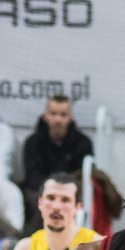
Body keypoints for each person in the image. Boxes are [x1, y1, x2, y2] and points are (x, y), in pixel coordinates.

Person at [20, 95, 93, 229]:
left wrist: (62, 191)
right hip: (41, 190)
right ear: (45, 116)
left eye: (63, 115)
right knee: (40, 201)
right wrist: (51, 191)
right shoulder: (32, 143)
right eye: (53, 114)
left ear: (71, 117)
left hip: (71, 190)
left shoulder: (83, 143)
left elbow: (81, 177)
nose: (58, 119)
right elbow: (32, 177)